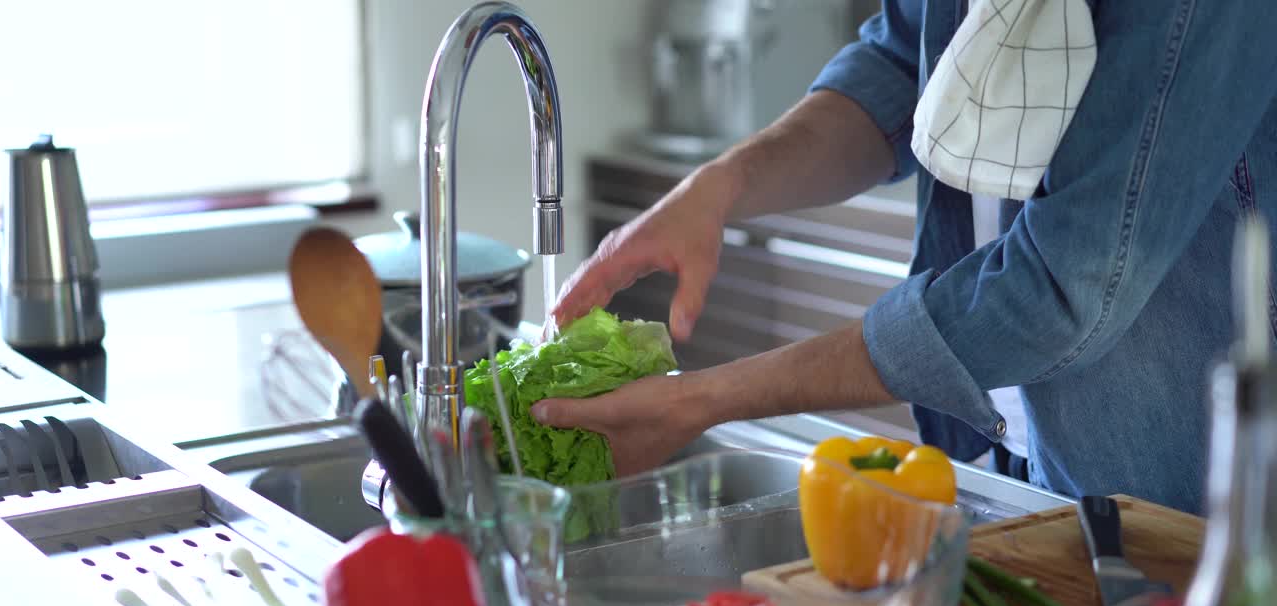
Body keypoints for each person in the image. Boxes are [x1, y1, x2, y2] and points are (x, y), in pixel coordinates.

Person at [532, 0, 1277, 515]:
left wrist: (704, 400)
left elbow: (1060, 289)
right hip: (1023, 464)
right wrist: (723, 185)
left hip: (1195, 507)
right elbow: (903, 63)